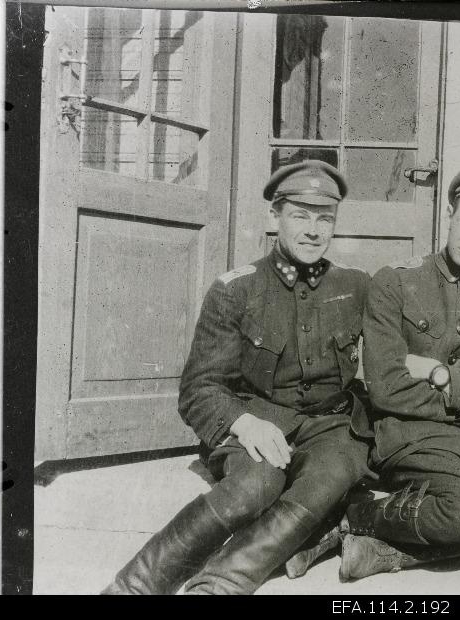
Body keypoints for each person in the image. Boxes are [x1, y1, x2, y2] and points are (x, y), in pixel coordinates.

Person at [102, 160, 373, 595]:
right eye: (300, 216)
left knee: (332, 474)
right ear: (274, 216)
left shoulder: (355, 286)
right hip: (255, 418)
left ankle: (218, 586)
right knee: (256, 484)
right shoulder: (236, 289)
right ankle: (135, 586)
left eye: (325, 219)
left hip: (328, 426)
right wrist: (245, 423)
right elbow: (199, 389)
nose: (313, 231)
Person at [287, 165, 460, 582]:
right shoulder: (395, 282)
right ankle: (355, 515)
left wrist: (437, 373)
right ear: (449, 215)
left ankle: (384, 547)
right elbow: (387, 388)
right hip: (412, 432)